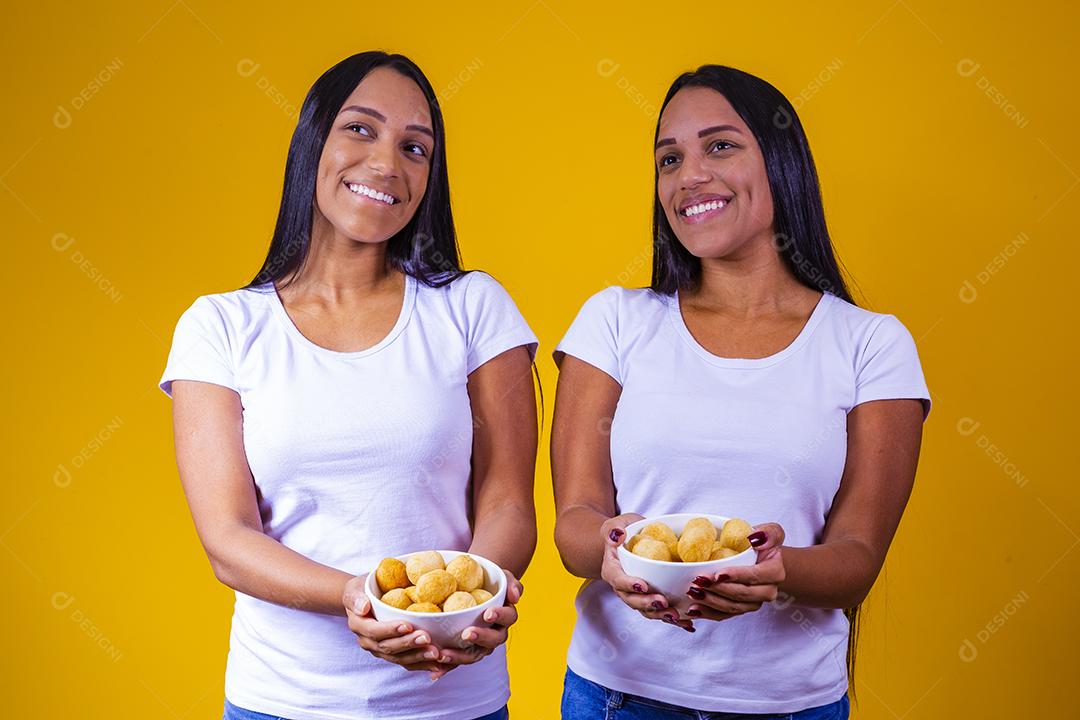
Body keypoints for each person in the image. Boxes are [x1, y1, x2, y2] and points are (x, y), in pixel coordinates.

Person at [159, 52, 538, 720]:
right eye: (360, 129)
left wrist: (473, 604)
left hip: (455, 703)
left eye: (415, 148)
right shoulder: (219, 326)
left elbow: (507, 499)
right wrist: (361, 596)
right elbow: (229, 539)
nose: (388, 164)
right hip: (281, 702)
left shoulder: (474, 307)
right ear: (314, 144)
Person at [552, 64, 930, 719]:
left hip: (791, 706)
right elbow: (575, 525)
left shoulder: (872, 345)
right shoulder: (615, 321)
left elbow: (858, 557)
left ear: (780, 162)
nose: (688, 174)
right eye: (669, 158)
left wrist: (778, 569)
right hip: (616, 697)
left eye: (719, 145)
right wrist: (612, 552)